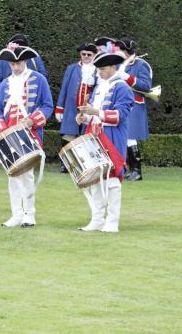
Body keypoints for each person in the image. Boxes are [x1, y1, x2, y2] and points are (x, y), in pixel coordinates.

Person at [0, 45, 53, 227]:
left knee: (26, 176)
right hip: (9, 135)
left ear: (25, 61)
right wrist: (3, 128)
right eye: (12, 64)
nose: (16, 67)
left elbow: (47, 105)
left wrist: (31, 121)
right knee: (12, 175)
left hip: (30, 133)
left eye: (18, 63)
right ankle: (16, 214)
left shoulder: (39, 79)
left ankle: (29, 214)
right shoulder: (5, 83)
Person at [76, 51, 134, 232]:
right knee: (95, 180)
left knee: (112, 181)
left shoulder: (122, 88)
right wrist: (84, 118)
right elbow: (94, 116)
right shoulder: (100, 88)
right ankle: (97, 219)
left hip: (112, 137)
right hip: (94, 136)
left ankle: (112, 222)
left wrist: (95, 113)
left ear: (112, 67)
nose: (99, 72)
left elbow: (120, 115)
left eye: (102, 69)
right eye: (98, 69)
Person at [55, 42, 98, 172]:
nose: (85, 56)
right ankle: (65, 164)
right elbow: (64, 88)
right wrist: (59, 108)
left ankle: (85, 164)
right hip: (71, 107)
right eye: (83, 54)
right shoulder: (72, 68)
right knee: (68, 135)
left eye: (89, 54)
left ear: (94, 55)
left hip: (89, 108)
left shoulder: (98, 70)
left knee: (86, 136)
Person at [115, 37, 152, 181]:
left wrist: (128, 77)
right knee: (124, 138)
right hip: (121, 104)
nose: (118, 51)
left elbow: (146, 86)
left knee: (130, 137)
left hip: (135, 104)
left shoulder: (141, 64)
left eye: (121, 49)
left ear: (127, 51)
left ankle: (137, 171)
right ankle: (129, 169)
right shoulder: (119, 64)